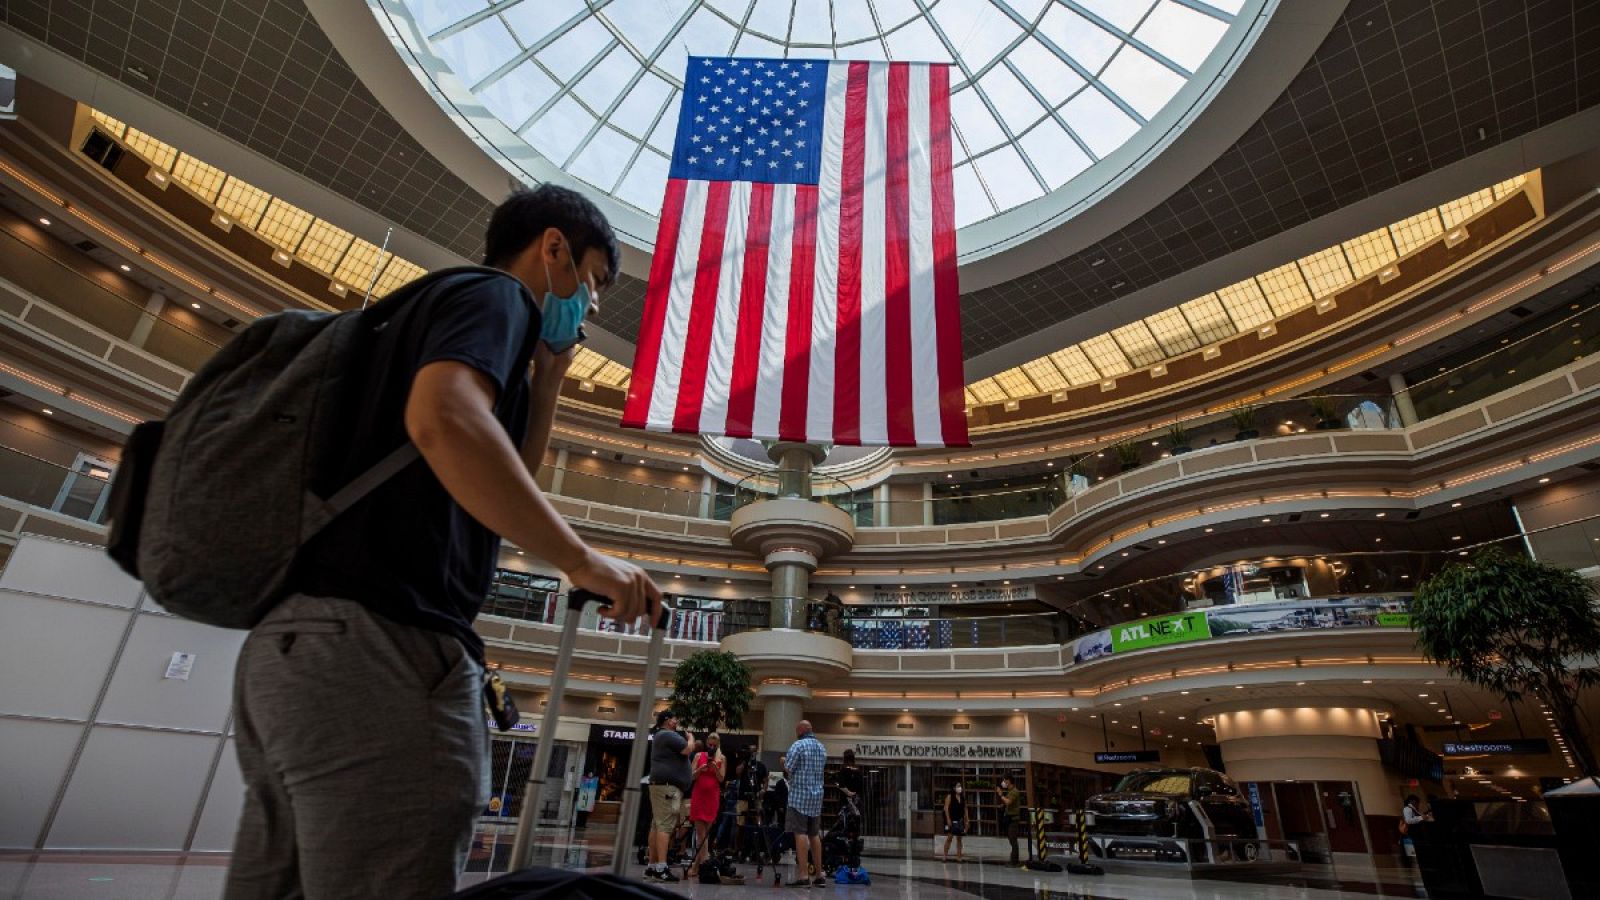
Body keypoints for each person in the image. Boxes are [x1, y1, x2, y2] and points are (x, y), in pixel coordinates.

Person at [223, 185, 662, 900]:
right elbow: (445, 420)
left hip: (296, 647)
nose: (595, 305)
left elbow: (500, 477)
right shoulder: (495, 299)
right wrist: (582, 560)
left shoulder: (415, 315)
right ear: (552, 248)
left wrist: (548, 380)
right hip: (380, 646)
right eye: (594, 281)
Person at [645, 710, 696, 882]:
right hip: (667, 788)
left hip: (661, 787)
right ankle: (661, 867)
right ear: (667, 721)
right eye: (675, 719)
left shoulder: (660, 735)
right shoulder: (667, 734)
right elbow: (688, 750)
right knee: (665, 826)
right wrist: (691, 738)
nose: (677, 722)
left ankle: (652, 867)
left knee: (657, 826)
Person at [785, 720, 828, 886]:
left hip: (799, 797)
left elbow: (789, 767)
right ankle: (819, 875)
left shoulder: (798, 746)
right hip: (816, 798)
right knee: (814, 834)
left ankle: (803, 875)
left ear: (800, 731)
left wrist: (783, 762)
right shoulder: (821, 747)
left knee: (800, 833)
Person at [686, 732, 725, 879]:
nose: (712, 747)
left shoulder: (722, 758)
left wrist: (715, 767)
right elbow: (690, 776)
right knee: (701, 834)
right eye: (710, 744)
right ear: (707, 743)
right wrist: (699, 769)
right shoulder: (698, 756)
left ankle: (697, 866)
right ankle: (705, 865)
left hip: (712, 798)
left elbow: (721, 779)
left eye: (715, 745)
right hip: (699, 796)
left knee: (705, 835)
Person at [833, 749, 865, 875]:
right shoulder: (859, 771)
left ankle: (843, 858)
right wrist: (855, 795)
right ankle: (854, 858)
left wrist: (848, 793)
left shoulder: (843, 770)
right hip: (856, 807)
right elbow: (861, 788)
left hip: (845, 805)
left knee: (843, 831)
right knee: (855, 832)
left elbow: (841, 786)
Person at [997, 775, 1023, 865]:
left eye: (1004, 780)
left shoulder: (1014, 791)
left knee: (1013, 839)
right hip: (1009, 818)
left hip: (1013, 819)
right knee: (1011, 839)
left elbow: (1008, 801)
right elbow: (1008, 804)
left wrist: (1001, 795)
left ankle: (1014, 861)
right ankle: (1014, 859)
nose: (1003, 782)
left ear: (1009, 781)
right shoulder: (1009, 791)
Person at [941, 782, 970, 861]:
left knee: (959, 838)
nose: (960, 787)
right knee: (950, 837)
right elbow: (946, 808)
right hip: (951, 819)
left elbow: (965, 809)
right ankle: (945, 856)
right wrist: (948, 819)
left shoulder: (963, 797)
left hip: (960, 819)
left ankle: (959, 857)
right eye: (958, 786)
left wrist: (967, 820)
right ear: (954, 788)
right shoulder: (950, 796)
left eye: (960, 786)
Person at [1400, 794, 1431, 864]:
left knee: (1416, 852)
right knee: (1413, 853)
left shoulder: (1414, 810)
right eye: (1417, 803)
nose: (1418, 805)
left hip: (1416, 834)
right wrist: (1421, 818)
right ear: (1413, 801)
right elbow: (1408, 820)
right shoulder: (1407, 809)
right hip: (1412, 834)